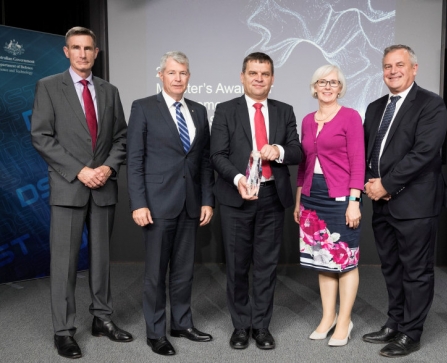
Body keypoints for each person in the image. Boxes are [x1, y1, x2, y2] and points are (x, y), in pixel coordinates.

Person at [31, 26, 132, 359]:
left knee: (101, 261)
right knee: (65, 264)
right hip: (69, 187)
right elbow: (42, 137)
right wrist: (80, 170)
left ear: (96, 52)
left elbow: (121, 137)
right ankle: (63, 331)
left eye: (88, 48)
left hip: (104, 187)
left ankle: (102, 319)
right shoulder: (48, 87)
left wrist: (108, 168)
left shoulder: (109, 90)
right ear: (66, 52)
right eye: (76, 48)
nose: (83, 54)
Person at [210, 52, 302, 350]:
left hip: (272, 198)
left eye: (265, 74)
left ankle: (261, 326)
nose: (259, 78)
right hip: (237, 198)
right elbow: (217, 156)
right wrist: (238, 180)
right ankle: (240, 326)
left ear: (272, 79)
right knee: (237, 267)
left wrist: (280, 150)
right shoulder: (225, 110)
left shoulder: (284, 110)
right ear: (242, 77)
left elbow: (297, 151)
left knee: (266, 266)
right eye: (253, 73)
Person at [126, 51, 214, 357]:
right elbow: (134, 160)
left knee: (184, 270)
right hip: (156, 204)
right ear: (161, 75)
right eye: (172, 72)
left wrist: (207, 200)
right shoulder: (144, 107)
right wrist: (138, 203)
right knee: (155, 273)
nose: (178, 78)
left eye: (184, 73)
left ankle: (181, 323)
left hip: (191, 204)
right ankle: (155, 332)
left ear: (189, 77)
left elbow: (202, 160)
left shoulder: (200, 111)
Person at [362, 45, 447, 358]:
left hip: (416, 204)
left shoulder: (431, 104)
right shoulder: (374, 107)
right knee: (391, 267)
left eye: (400, 65)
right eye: (387, 66)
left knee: (416, 271)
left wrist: (386, 184)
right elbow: (368, 154)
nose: (393, 71)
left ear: (414, 68)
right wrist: (368, 185)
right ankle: (394, 321)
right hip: (382, 204)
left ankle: (411, 332)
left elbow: (423, 154)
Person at [294, 65, 365, 347]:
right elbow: (303, 164)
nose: (327, 86)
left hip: (340, 197)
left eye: (333, 82)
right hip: (312, 197)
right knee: (324, 260)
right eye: (322, 82)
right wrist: (299, 200)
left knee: (345, 261)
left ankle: (345, 321)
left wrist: (354, 202)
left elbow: (358, 162)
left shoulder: (350, 117)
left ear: (340, 87)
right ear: (314, 86)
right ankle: (328, 317)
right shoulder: (308, 120)